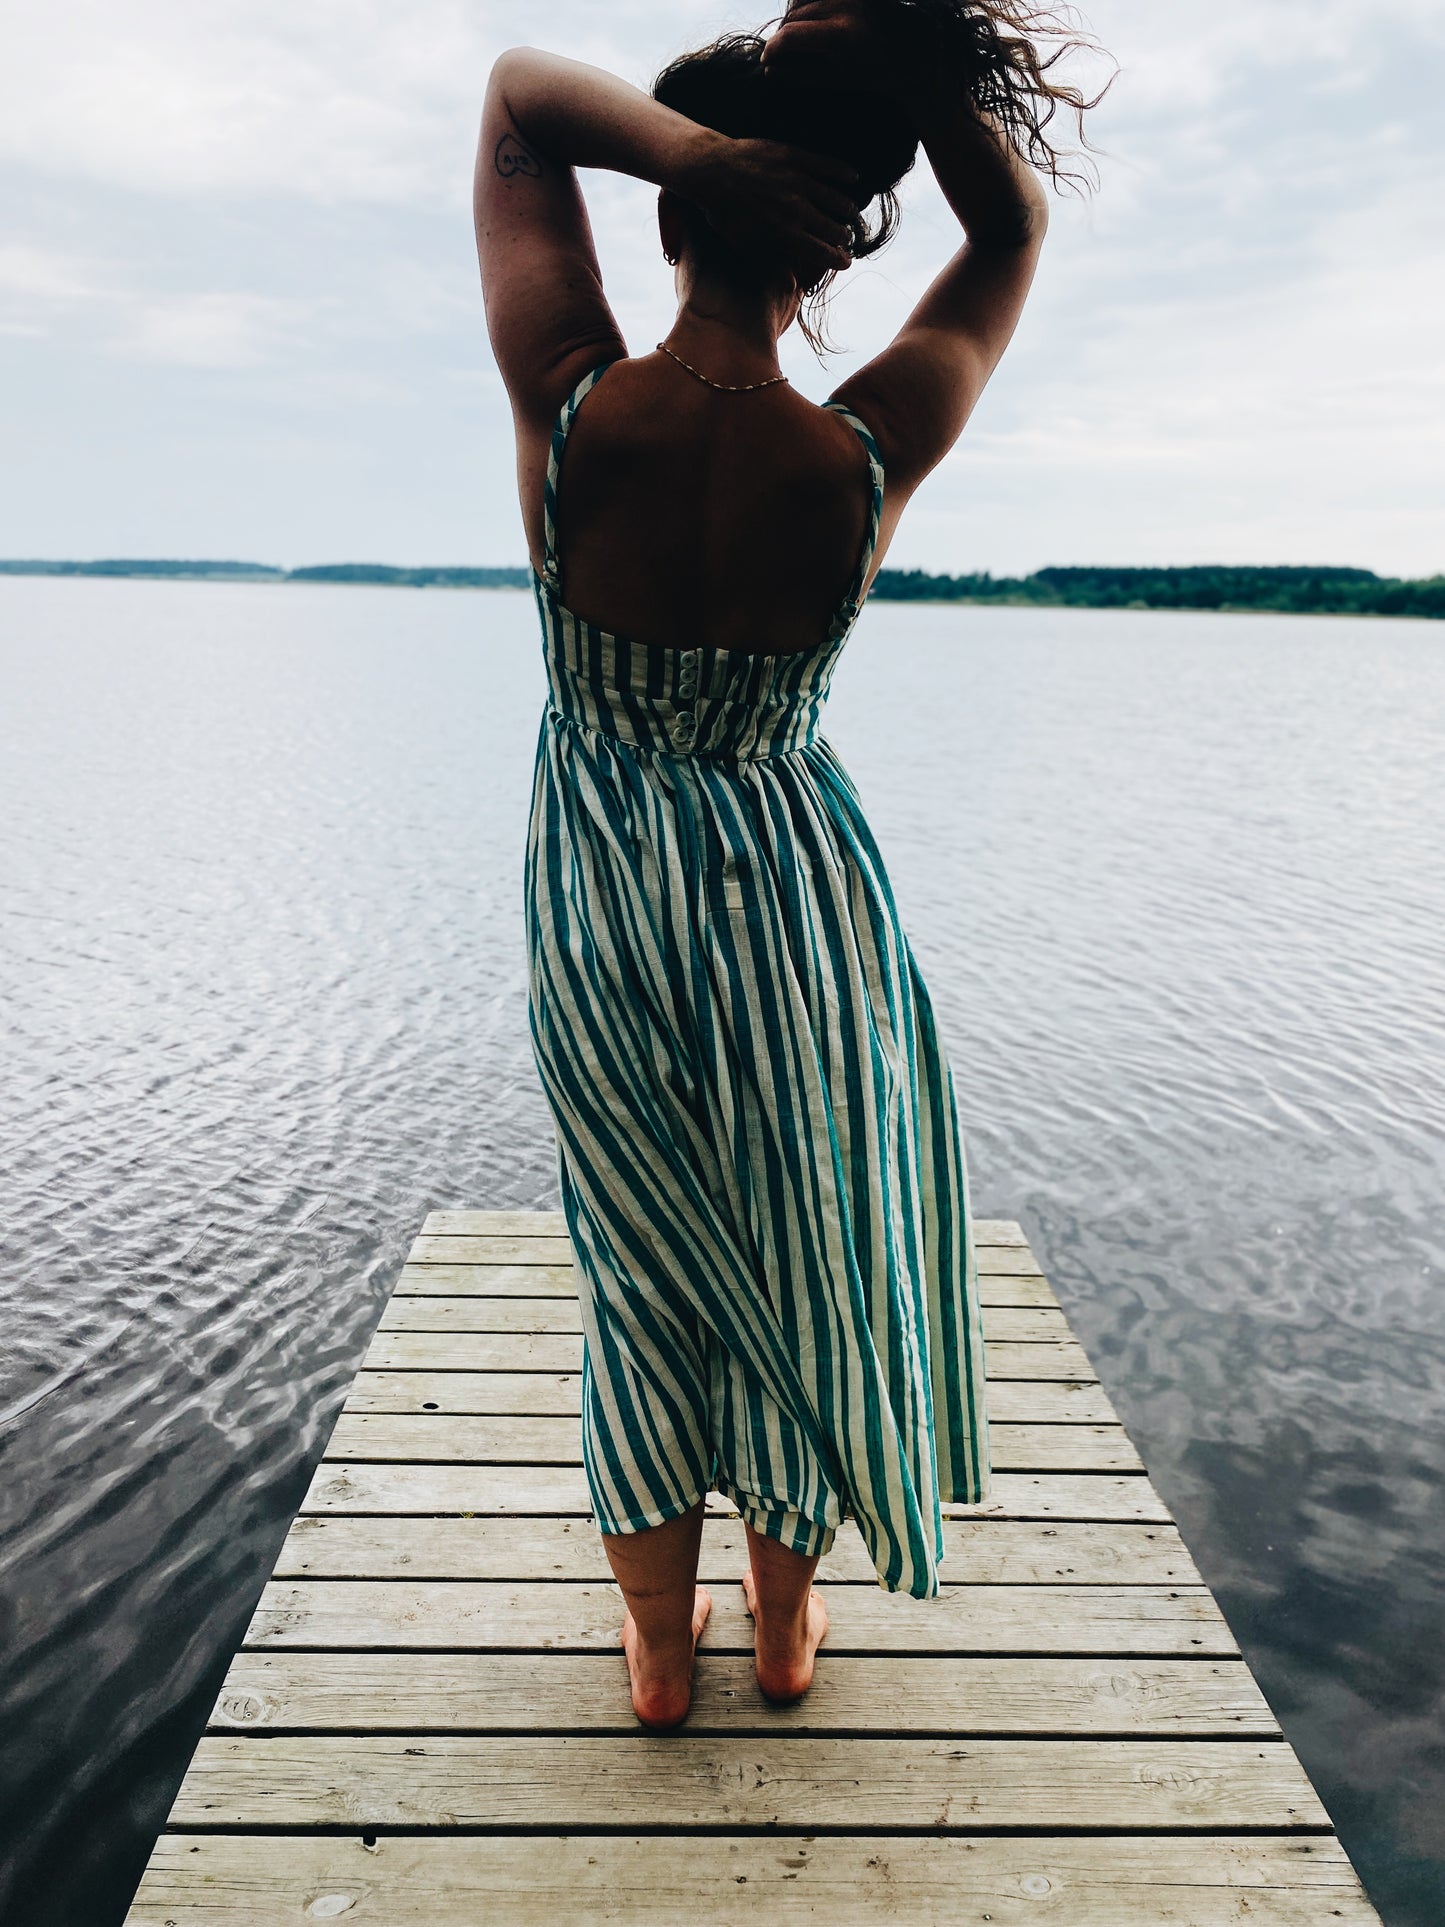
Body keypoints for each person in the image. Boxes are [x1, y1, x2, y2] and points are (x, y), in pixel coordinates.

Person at [474, 0, 1100, 1730]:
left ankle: (661, 1663)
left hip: (604, 894)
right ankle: (787, 1634)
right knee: (806, 1248)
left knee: (646, 1272)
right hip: (799, 903)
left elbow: (524, 97)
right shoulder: (862, 446)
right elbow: (1012, 230)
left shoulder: (573, 405)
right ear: (825, 250)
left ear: (670, 220)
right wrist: (908, 89)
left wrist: (699, 150)